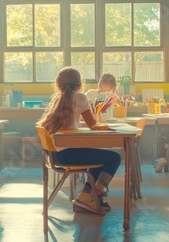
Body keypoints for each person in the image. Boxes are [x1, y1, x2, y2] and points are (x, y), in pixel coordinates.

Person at [38, 67, 121, 213]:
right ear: (80, 85)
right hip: (69, 155)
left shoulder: (57, 99)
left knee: (94, 156)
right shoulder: (80, 98)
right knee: (114, 158)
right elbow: (93, 125)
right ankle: (97, 194)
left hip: (55, 155)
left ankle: (87, 195)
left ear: (58, 85)